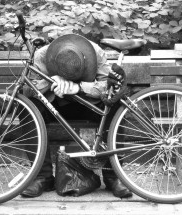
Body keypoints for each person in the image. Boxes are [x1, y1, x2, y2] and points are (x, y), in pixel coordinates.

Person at [20, 34, 132, 199]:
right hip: (54, 105)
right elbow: (29, 89)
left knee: (115, 105)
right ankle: (42, 177)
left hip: (88, 105)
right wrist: (51, 82)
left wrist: (78, 87)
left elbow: (108, 87)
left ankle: (113, 176)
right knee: (27, 108)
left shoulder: (96, 52)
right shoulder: (42, 55)